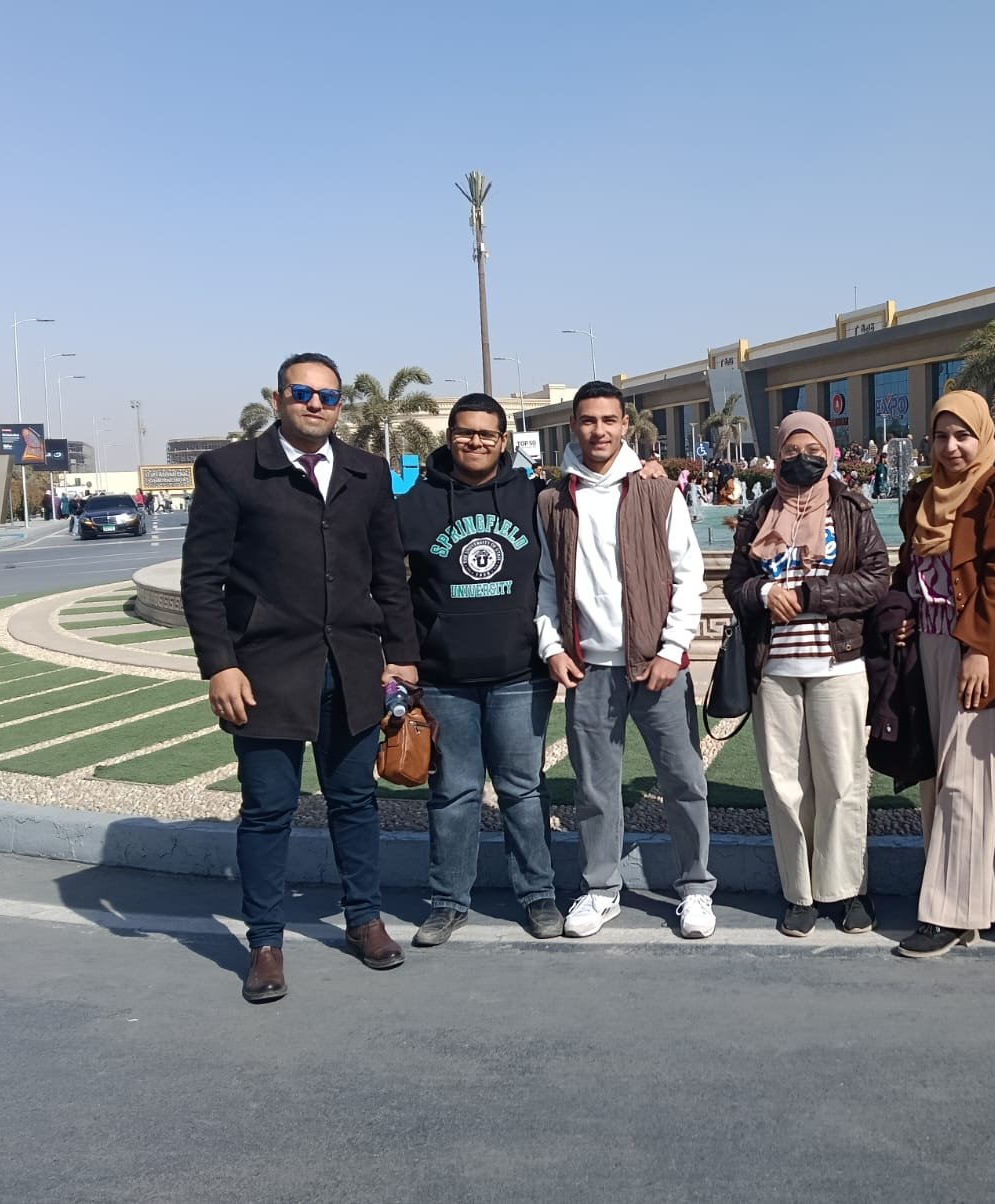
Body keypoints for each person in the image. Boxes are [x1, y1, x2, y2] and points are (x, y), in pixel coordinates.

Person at [181, 352, 420, 1004]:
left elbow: (388, 573)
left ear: (340, 404)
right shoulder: (231, 470)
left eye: (328, 395)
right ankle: (265, 943)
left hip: (352, 666)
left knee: (355, 802)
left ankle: (364, 919)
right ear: (279, 398)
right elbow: (202, 580)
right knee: (267, 811)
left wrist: (401, 654)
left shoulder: (367, 472)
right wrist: (220, 664)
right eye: (302, 392)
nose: (316, 403)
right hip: (265, 673)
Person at [536, 381, 717, 940]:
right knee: (594, 786)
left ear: (624, 426)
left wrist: (671, 649)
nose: (599, 431)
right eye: (589, 421)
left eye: (609, 420)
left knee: (683, 778)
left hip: (657, 666)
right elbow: (546, 583)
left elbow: (689, 576)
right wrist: (552, 646)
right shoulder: (552, 501)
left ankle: (695, 887)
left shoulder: (658, 493)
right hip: (589, 667)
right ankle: (600, 889)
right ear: (573, 425)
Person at [395, 394, 564, 945]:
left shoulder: (532, 497)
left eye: (487, 434)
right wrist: (401, 658)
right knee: (453, 794)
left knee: (523, 791)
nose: (475, 442)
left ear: (503, 440)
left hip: (520, 674)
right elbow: (390, 586)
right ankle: (448, 902)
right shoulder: (415, 503)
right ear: (449, 436)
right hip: (443, 678)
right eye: (465, 432)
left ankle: (538, 895)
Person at [724, 412, 890, 938]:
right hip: (776, 669)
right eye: (791, 452)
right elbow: (735, 585)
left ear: (830, 452)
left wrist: (813, 594)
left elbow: (876, 578)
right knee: (785, 785)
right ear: (777, 456)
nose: (802, 460)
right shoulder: (758, 512)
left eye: (813, 451)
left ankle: (848, 889)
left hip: (838, 664)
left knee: (842, 782)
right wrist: (763, 592)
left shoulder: (851, 508)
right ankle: (800, 893)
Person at [890, 390, 995, 958]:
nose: (951, 447)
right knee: (937, 773)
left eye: (963, 435)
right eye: (942, 436)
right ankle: (977, 897)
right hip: (926, 647)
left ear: (983, 437)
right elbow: (910, 566)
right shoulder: (920, 497)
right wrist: (902, 614)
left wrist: (978, 649)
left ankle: (948, 913)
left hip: (975, 650)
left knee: (968, 779)